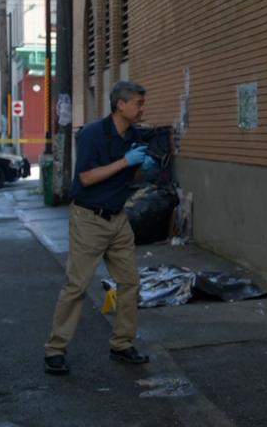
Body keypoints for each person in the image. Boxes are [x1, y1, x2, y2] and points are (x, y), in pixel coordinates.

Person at [43, 81, 156, 375]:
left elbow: (129, 173)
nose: (142, 108)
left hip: (118, 219)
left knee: (130, 282)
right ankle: (55, 350)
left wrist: (145, 165)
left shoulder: (133, 135)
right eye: (138, 103)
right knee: (77, 285)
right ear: (121, 105)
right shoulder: (93, 133)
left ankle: (122, 344)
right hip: (89, 219)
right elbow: (87, 178)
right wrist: (124, 161)